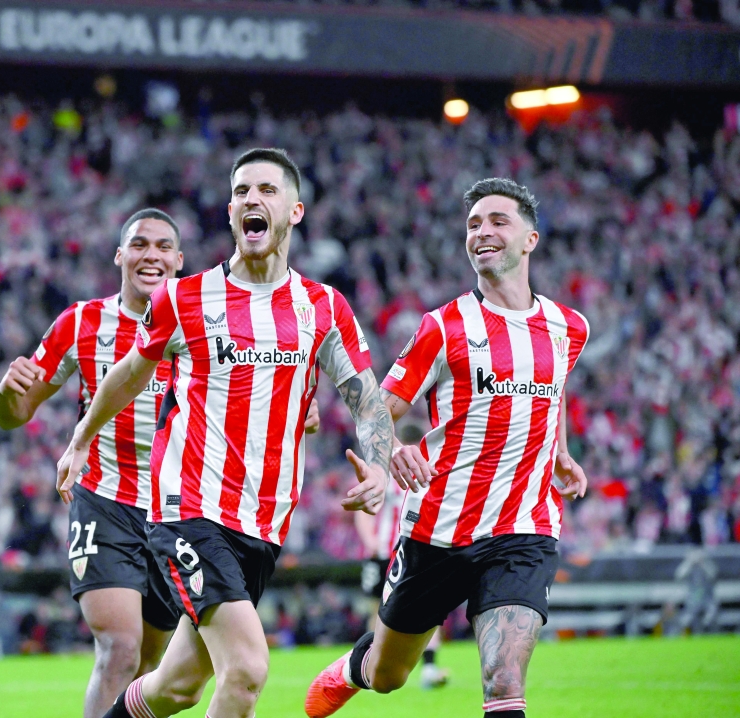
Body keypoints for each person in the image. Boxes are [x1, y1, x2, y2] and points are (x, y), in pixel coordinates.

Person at [56, 147, 396, 718]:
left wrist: (380, 466)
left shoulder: (323, 307)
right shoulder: (184, 298)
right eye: (241, 191)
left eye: (266, 190)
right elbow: (130, 373)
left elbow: (365, 398)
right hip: (190, 509)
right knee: (246, 669)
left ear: (295, 211)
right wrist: (80, 439)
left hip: (262, 523)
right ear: (231, 211)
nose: (251, 199)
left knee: (175, 687)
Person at [0, 208, 321, 717]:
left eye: (164, 246)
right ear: (119, 255)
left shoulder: (204, 316)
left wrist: (298, 407)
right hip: (106, 499)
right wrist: (6, 396)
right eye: (140, 244)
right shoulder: (81, 323)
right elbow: (16, 413)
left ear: (179, 260)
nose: (152, 255)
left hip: (182, 508)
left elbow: (262, 391)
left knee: (152, 663)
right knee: (120, 648)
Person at [305, 177, 590, 718]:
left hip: (524, 527)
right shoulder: (443, 326)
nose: (482, 231)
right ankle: (354, 669)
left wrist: (559, 452)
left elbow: (552, 392)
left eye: (498, 221)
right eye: (473, 224)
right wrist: (391, 452)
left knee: (503, 678)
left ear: (531, 239)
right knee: (389, 674)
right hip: (439, 529)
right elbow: (377, 408)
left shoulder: (568, 327)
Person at [355, 477, 447, 690]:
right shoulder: (381, 473)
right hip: (382, 554)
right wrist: (369, 540)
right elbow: (362, 509)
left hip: (415, 552)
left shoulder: (428, 471)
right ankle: (371, 666)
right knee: (376, 609)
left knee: (429, 607)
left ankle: (429, 668)